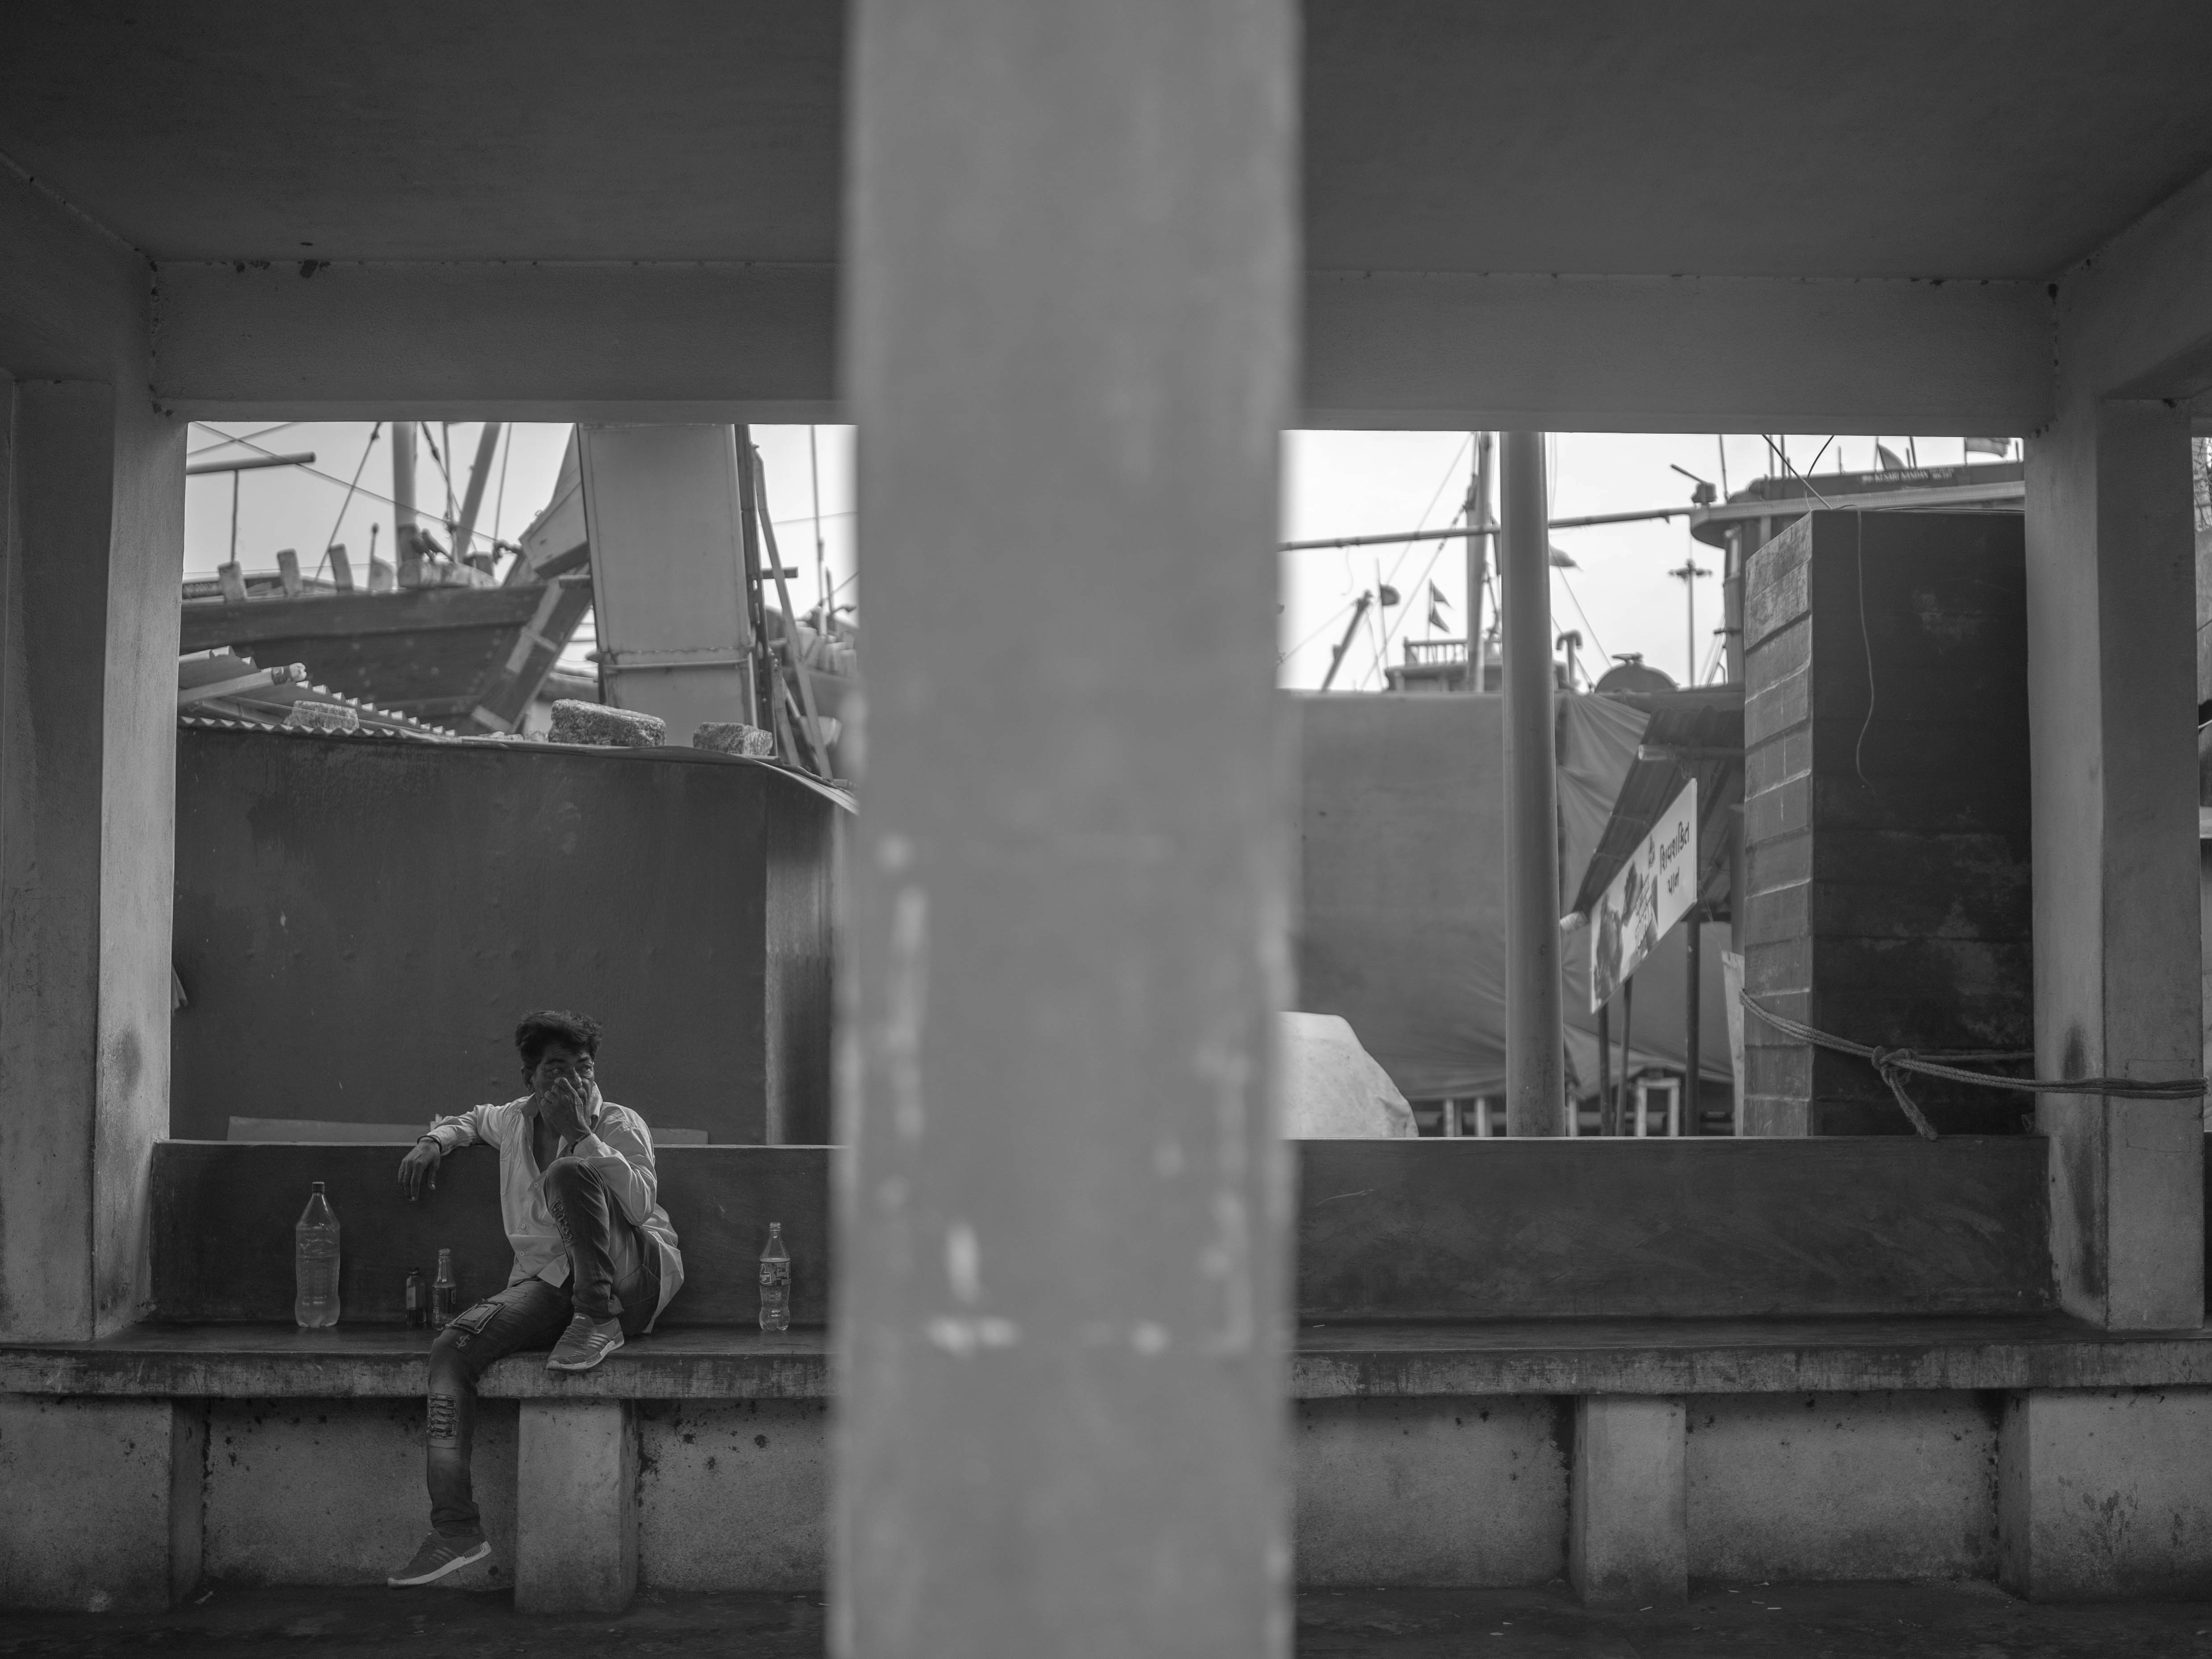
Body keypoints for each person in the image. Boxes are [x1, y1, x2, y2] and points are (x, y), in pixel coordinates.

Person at [385, 1010, 685, 1588]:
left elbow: (643, 1205)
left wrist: (581, 1134)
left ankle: (600, 1318)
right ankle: (455, 1530)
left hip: (632, 1280)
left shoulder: (618, 1122)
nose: (573, 1080)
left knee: (568, 1175)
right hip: (552, 1287)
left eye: (583, 1067)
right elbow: (471, 1120)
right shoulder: (514, 1123)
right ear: (530, 1077)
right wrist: (433, 1140)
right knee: (452, 1350)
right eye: (556, 1069)